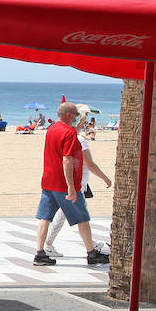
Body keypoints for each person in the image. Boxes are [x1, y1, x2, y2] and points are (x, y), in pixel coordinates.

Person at [33, 102, 110, 267]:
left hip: (48, 181)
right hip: (63, 185)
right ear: (68, 115)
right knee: (82, 218)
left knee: (45, 218)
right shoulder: (68, 133)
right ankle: (91, 253)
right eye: (75, 114)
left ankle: (39, 252)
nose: (77, 117)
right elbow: (67, 160)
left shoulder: (52, 129)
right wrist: (71, 187)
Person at [43, 130, 111, 258]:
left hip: (67, 183)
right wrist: (105, 178)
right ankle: (90, 249)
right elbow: (89, 164)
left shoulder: (64, 137)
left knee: (65, 215)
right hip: (75, 185)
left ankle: (48, 244)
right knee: (79, 217)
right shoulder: (81, 141)